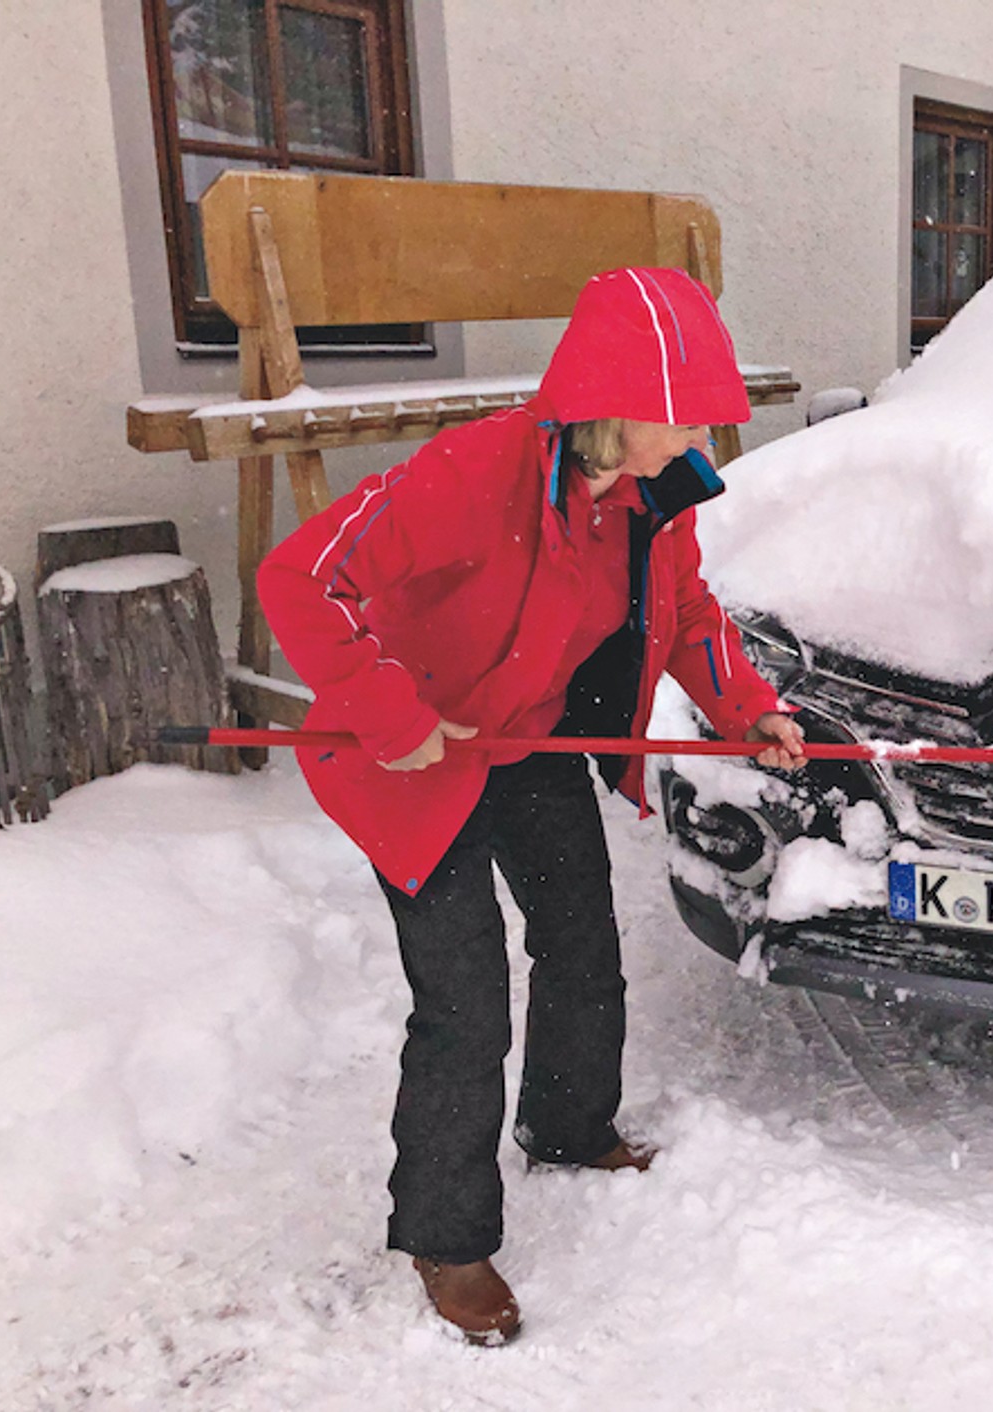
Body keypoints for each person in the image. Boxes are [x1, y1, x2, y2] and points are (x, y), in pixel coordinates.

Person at [257, 267, 805, 1346]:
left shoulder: (654, 495)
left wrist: (745, 706)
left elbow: (686, 608)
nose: (693, 436)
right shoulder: (470, 474)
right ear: (606, 406)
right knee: (462, 998)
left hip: (529, 737)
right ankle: (447, 1235)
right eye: (676, 414)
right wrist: (389, 707)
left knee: (580, 940)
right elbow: (300, 577)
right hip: (415, 758)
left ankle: (566, 1123)